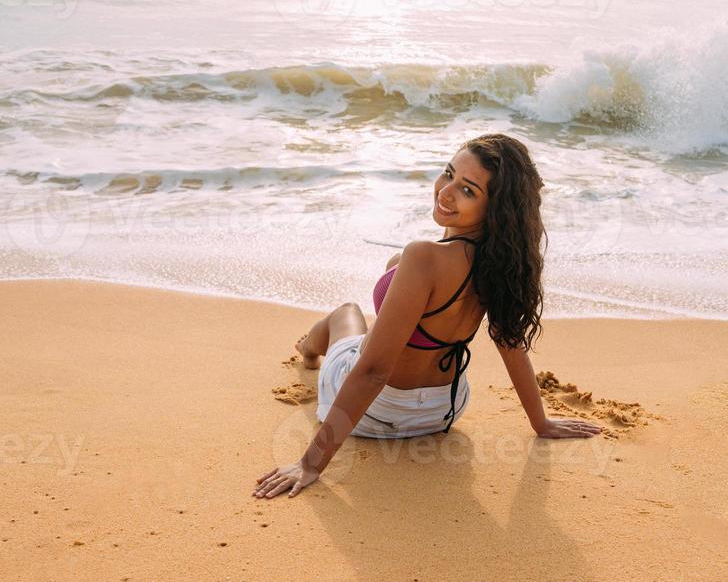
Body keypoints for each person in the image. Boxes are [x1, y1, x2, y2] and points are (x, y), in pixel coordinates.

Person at [254, 133, 602, 499]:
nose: (446, 192)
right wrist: (540, 422)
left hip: (376, 413)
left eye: (467, 190)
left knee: (347, 313)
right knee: (395, 271)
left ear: (495, 207)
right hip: (442, 412)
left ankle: (309, 352)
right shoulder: (501, 264)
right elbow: (510, 346)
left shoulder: (423, 256)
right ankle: (320, 349)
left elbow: (373, 372)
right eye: (448, 174)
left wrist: (310, 464)